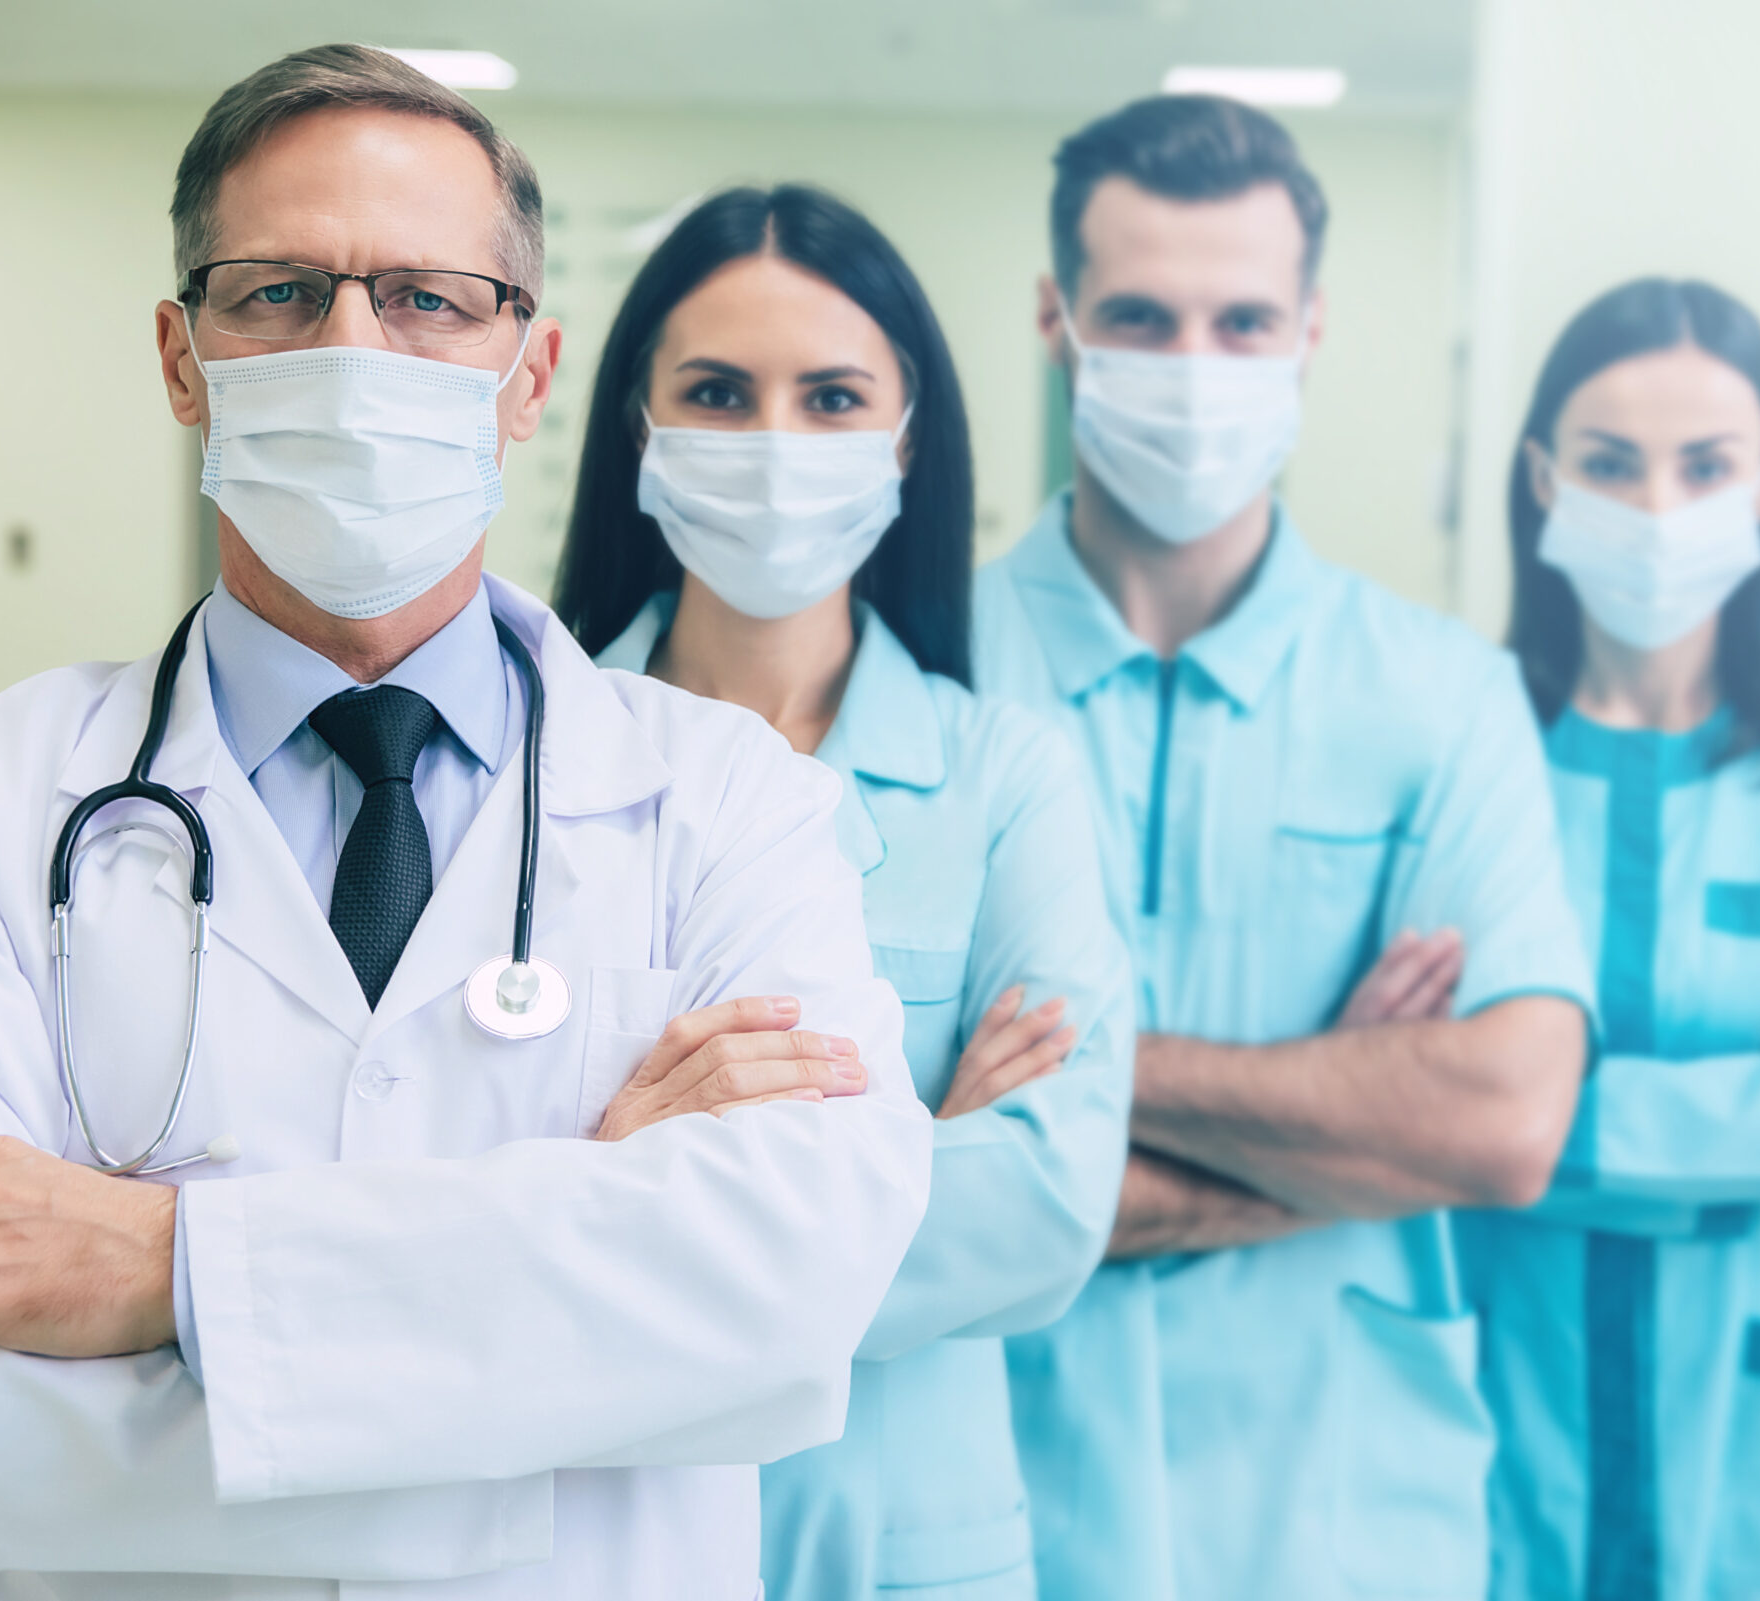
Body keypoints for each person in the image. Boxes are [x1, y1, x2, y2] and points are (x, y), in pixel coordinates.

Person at [0, 46, 932, 1600]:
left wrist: (162, 1267)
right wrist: (588, 1337)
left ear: (529, 376)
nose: (351, 347)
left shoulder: (735, 802)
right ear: (182, 358)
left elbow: (792, 1285)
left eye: (426, 300)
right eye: (274, 292)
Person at [971, 95, 1595, 1601]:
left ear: (1312, 330)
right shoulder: (924, 674)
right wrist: (1348, 1126)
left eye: (1243, 321)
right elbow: (883, 1174)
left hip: (1343, 1519)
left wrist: (1077, 1083)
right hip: (993, 1497)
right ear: (1057, 319)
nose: (1196, 370)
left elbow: (1503, 1124)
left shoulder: (1443, 692)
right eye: (1141, 316)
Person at [557, 182, 1135, 1601]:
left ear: (905, 435)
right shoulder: (520, 761)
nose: (772, 446)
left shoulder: (1008, 778)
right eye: (715, 392)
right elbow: (437, 1171)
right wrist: (909, 1148)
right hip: (586, 1530)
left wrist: (624, 1193)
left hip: (907, 1548)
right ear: (639, 425)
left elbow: (1051, 1205)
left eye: (829, 397)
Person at [1452, 278, 1760, 1601]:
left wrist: (1508, 1126)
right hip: (1505, 1378)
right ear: (1544, 481)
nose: (1659, 509)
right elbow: (1403, 1111)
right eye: (1612, 465)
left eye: (1706, 465)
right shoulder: (1458, 747)